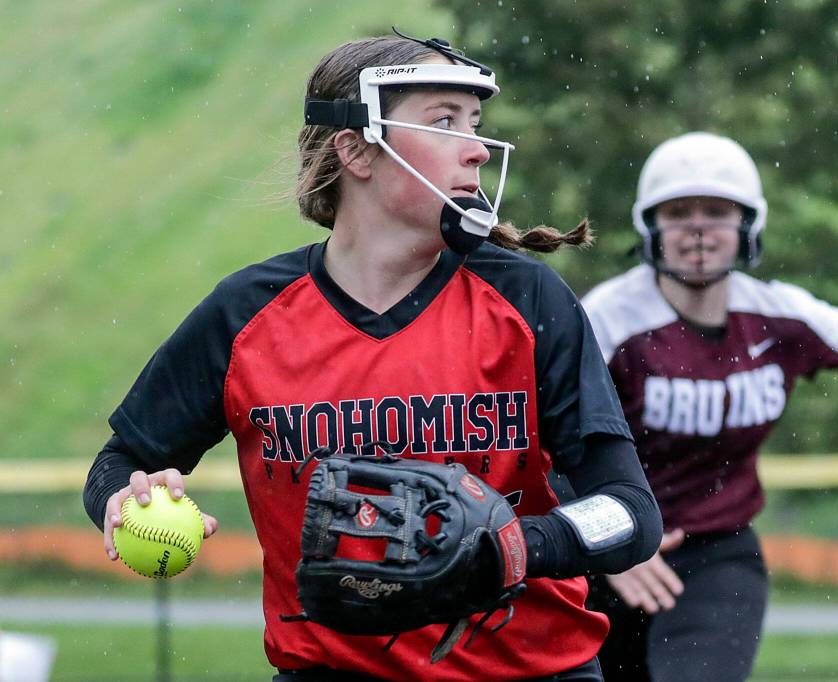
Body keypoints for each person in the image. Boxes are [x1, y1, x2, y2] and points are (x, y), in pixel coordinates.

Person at [83, 32, 662, 682]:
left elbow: (628, 512)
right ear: (355, 149)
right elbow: (124, 461)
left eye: (474, 122)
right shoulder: (246, 315)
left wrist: (514, 547)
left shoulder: (525, 298)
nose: (475, 146)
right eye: (444, 122)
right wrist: (122, 496)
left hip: (530, 672)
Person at [581, 132, 838, 682]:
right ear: (649, 225)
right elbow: (552, 437)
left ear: (747, 224)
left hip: (716, 550)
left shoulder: (777, 315)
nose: (696, 228)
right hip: (604, 552)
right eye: (678, 212)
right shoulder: (607, 319)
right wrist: (605, 541)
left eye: (716, 212)